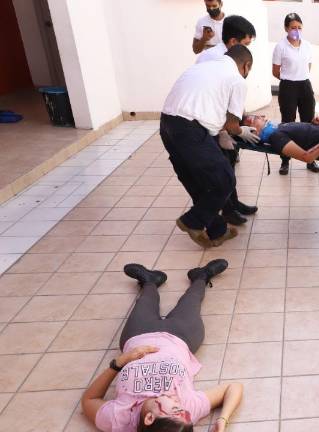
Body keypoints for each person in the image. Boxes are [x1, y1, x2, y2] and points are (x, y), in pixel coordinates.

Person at [81, 260, 243, 432]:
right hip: (182, 337)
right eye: (182, 410)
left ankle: (150, 280)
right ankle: (201, 276)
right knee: (192, 300)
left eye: (174, 408)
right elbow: (233, 388)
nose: (177, 402)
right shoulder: (187, 411)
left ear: (150, 418)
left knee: (145, 300)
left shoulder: (118, 419)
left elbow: (89, 400)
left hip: (137, 336)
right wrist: (223, 420)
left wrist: (119, 363)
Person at [160, 45, 258, 248]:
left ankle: (217, 230)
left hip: (167, 124)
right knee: (225, 179)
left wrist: (218, 132)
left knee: (197, 181)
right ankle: (192, 221)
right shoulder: (237, 80)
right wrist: (242, 131)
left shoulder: (201, 67)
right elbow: (232, 125)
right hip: (190, 129)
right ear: (246, 65)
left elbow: (207, 106)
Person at [195, 15, 259, 226]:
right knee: (220, 168)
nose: (247, 49)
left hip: (226, 121)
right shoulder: (211, 58)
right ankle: (226, 210)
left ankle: (233, 203)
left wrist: (241, 119)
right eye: (245, 43)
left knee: (230, 162)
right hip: (211, 124)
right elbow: (210, 98)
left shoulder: (232, 58)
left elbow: (233, 93)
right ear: (233, 41)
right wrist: (226, 130)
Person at [272, 13, 319, 176]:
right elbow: (275, 71)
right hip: (288, 86)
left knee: (309, 123)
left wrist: (300, 77)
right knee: (287, 123)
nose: (296, 31)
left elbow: (309, 66)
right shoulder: (280, 46)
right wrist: (289, 80)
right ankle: (285, 161)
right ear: (286, 28)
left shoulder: (307, 45)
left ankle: (311, 159)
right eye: (293, 27)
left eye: (299, 28)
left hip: (305, 85)